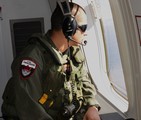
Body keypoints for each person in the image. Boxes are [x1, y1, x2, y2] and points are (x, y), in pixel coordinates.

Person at [1, 1, 101, 120]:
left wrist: (92, 106)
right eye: (83, 27)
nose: (86, 32)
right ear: (69, 28)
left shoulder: (73, 51)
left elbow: (84, 80)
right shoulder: (32, 59)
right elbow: (30, 110)